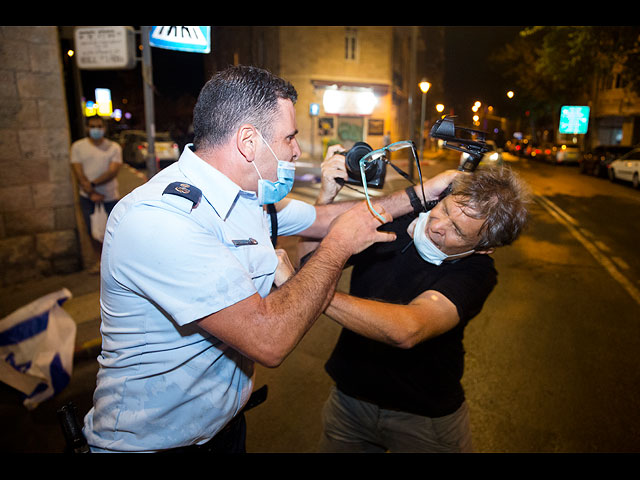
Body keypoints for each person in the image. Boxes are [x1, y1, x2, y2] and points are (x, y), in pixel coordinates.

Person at [82, 65, 456, 453]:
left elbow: (326, 219)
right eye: (289, 137)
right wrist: (338, 246)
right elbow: (268, 340)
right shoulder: (161, 219)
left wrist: (423, 194)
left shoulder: (250, 198)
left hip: (223, 433)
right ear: (248, 141)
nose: (296, 149)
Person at [295, 156, 530, 453]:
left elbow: (407, 329)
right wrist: (326, 196)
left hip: (424, 418)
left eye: (457, 230)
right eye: (443, 208)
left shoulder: (477, 273)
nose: (436, 224)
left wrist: (310, 293)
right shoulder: (392, 224)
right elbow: (309, 265)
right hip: (350, 401)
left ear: (484, 249)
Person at [70, 115, 123, 273]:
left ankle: (114, 264)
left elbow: (113, 171)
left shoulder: (113, 147)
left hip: (109, 197)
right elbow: (78, 172)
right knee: (92, 231)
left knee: (112, 232)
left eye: (99, 126)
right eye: (93, 126)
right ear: (87, 128)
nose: (96, 129)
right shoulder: (78, 147)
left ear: (104, 128)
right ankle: (99, 262)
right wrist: (91, 192)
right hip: (88, 197)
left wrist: (92, 185)